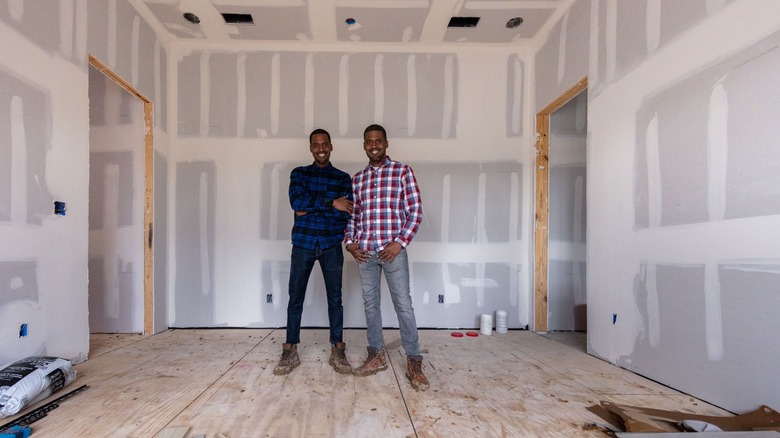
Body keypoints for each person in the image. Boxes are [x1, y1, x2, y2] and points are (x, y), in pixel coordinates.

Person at [344, 124, 429, 390]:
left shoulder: (402, 172)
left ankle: (414, 360)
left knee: (403, 304)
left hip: (393, 253)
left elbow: (415, 211)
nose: (374, 145)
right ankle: (376, 354)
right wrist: (350, 244)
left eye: (378, 140)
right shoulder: (357, 179)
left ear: (386, 143)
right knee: (371, 305)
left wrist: (399, 243)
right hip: (366, 253)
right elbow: (353, 218)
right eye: (369, 141)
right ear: (364, 145)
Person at [274, 128, 354, 376]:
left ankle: (337, 348)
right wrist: (331, 203)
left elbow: (345, 213)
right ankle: (290, 349)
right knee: (295, 297)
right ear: (310, 148)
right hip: (303, 243)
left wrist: (313, 207)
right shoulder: (299, 174)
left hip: (331, 243)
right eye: (316, 145)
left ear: (331, 146)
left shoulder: (343, 178)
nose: (321, 149)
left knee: (335, 299)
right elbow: (297, 204)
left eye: (325, 144)